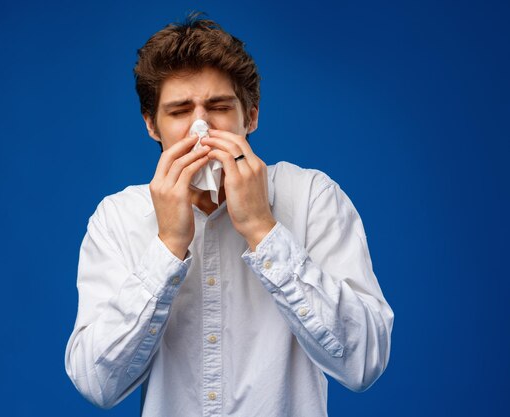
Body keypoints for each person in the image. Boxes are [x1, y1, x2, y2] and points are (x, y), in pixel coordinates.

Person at [65, 13, 394, 417]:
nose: (200, 129)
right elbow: (96, 384)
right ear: (152, 126)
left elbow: (363, 363)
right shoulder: (117, 218)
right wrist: (168, 247)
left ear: (250, 116)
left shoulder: (312, 197)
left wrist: (263, 229)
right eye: (179, 111)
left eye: (218, 107)